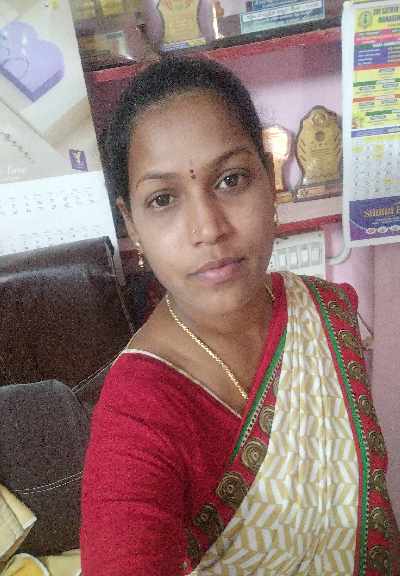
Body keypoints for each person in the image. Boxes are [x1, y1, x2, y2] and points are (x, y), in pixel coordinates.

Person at [80, 57, 399, 575]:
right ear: (131, 224)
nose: (208, 228)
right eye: (163, 199)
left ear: (269, 181)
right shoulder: (138, 411)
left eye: (231, 179)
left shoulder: (325, 311)